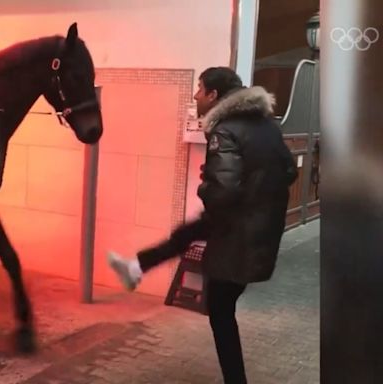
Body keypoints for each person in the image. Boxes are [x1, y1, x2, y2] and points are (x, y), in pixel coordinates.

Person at [107, 67, 298, 384]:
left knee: (220, 311)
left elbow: (221, 192)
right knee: (186, 235)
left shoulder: (225, 130)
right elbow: (289, 172)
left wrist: (205, 184)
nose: (196, 96)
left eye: (200, 89)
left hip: (237, 232)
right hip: (256, 226)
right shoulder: (266, 126)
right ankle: (136, 268)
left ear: (213, 95)